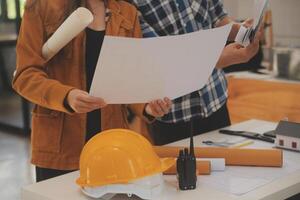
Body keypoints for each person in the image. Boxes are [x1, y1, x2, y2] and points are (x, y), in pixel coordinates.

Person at [12, 0, 171, 182]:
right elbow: (25, 75)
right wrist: (66, 96)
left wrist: (147, 106)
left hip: (112, 144)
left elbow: (129, 79)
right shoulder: (42, 6)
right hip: (60, 148)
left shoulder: (127, 12)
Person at [129, 0, 261, 145]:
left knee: (226, 166)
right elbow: (158, 56)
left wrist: (242, 30)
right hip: (173, 115)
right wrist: (214, 60)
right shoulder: (131, 4)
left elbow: (219, 20)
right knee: (177, 168)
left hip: (215, 101)